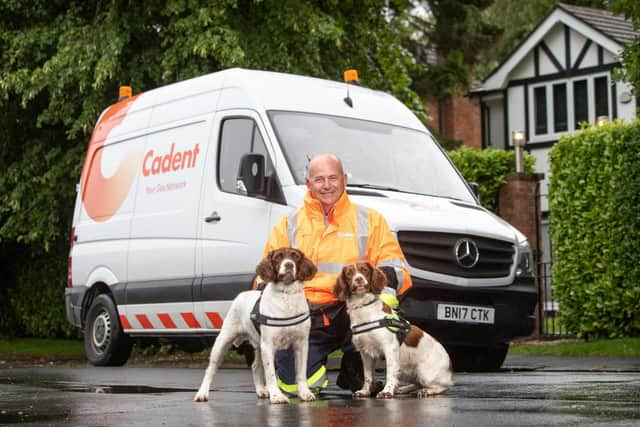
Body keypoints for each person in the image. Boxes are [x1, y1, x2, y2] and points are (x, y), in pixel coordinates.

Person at [260, 153, 412, 394]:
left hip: (355, 308)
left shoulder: (369, 219)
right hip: (307, 314)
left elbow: (398, 272)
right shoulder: (289, 223)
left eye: (333, 178)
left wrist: (381, 304)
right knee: (294, 386)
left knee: (388, 319)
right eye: (319, 179)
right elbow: (264, 276)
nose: (327, 185)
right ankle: (320, 371)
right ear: (308, 183)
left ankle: (356, 365)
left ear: (344, 179)